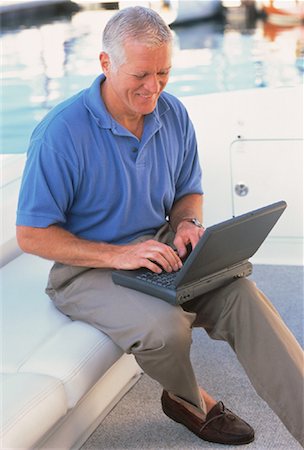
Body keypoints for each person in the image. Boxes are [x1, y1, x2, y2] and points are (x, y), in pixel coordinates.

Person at [16, 6, 303, 447]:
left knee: (243, 294)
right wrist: (119, 254)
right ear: (106, 64)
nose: (154, 88)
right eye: (141, 75)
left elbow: (189, 191)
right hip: (87, 269)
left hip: (162, 249)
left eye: (164, 73)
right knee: (164, 331)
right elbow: (32, 235)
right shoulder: (59, 134)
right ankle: (190, 400)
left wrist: (188, 223)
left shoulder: (172, 114)